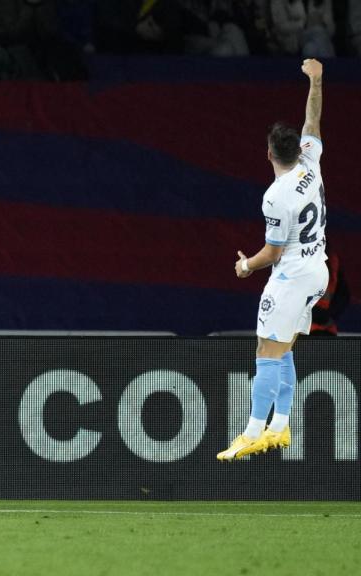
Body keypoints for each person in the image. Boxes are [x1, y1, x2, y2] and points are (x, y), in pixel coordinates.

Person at [217, 59, 328, 461]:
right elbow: (312, 121)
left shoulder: (276, 196)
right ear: (298, 149)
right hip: (318, 271)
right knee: (284, 350)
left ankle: (251, 432)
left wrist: (246, 266)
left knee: (266, 351)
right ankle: (279, 427)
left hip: (292, 276)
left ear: (268, 154)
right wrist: (316, 80)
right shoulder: (311, 163)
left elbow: (273, 253)